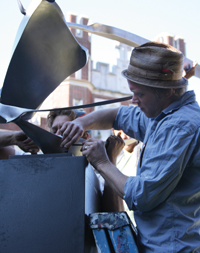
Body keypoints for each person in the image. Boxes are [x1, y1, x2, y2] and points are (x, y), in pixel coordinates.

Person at [59, 42, 200, 252]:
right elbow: (118, 115)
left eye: (140, 94)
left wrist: (102, 162)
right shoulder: (161, 112)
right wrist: (81, 123)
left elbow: (142, 195)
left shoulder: (178, 127)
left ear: (167, 91)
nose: (133, 101)